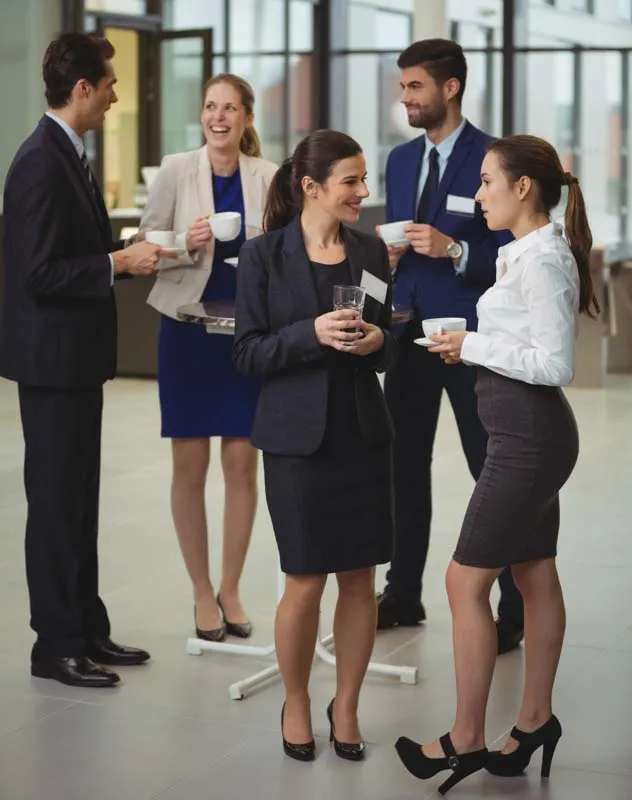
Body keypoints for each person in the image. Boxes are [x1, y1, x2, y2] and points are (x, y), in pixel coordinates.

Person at [395, 134, 598, 794]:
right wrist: (474, 347)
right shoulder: (527, 252)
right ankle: (535, 721)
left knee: (462, 583)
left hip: (527, 440)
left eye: (486, 182)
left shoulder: (541, 260)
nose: (476, 194)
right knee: (534, 573)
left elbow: (557, 365)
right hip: (526, 433)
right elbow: (526, 345)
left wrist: (475, 345)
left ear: (523, 189)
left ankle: (465, 737)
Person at [0, 33, 161, 688]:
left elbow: (71, 249)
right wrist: (119, 262)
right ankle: (56, 644)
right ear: (84, 89)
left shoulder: (68, 153)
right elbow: (40, 272)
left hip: (74, 360)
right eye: (112, 85)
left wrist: (127, 247)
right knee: (57, 502)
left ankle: (87, 628)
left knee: (80, 500)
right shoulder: (39, 160)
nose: (118, 96)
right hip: (52, 363)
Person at [233, 130, 396, 762]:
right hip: (297, 441)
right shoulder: (263, 257)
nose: (363, 192)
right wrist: (311, 334)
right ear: (311, 186)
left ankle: (347, 706)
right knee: (304, 581)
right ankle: (297, 701)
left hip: (362, 432)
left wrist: (378, 343)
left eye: (363, 179)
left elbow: (387, 332)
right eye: (352, 181)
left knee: (360, 579)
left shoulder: (372, 251)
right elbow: (248, 352)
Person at [377, 38, 524, 655]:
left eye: (414, 86)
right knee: (402, 465)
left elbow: (515, 247)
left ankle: (513, 601)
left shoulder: (493, 157)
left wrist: (457, 249)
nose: (404, 96)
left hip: (470, 338)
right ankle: (403, 590)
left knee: (490, 468)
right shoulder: (398, 160)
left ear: (450, 88)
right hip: (408, 333)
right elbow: (396, 245)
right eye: (403, 86)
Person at [140, 74, 277, 641]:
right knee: (189, 467)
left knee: (243, 465)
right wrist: (185, 240)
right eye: (210, 107)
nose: (218, 117)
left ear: (246, 118)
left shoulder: (269, 177)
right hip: (188, 331)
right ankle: (201, 591)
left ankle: (232, 587)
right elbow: (147, 245)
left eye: (230, 108)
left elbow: (285, 251)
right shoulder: (177, 169)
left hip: (245, 334)